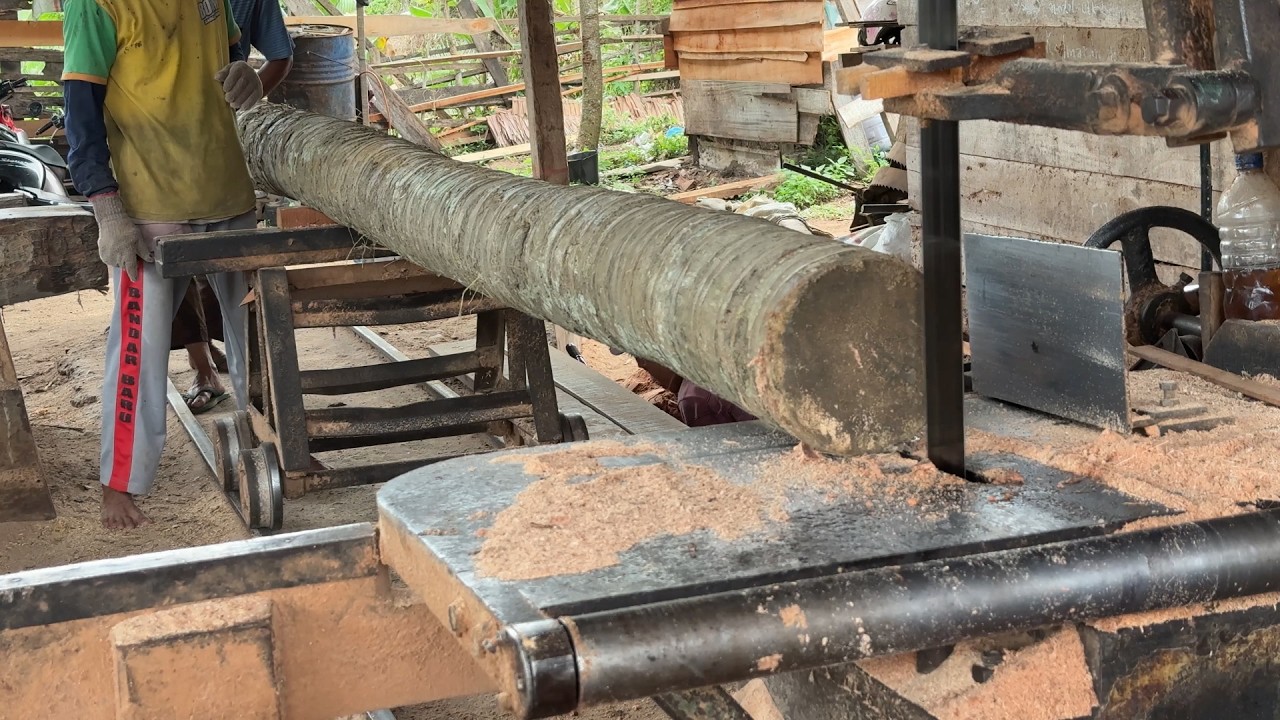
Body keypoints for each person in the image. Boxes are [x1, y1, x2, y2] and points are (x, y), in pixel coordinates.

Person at [63, 0, 264, 528]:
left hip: (228, 194)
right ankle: (119, 484)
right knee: (139, 352)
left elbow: (231, 48)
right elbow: (80, 114)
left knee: (259, 339)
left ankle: (278, 448)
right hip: (149, 210)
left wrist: (246, 71)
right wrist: (106, 205)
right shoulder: (96, 5)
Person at [171, 0, 294, 414]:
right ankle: (203, 367)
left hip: (221, 154)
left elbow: (279, 55)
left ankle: (255, 402)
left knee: (233, 282)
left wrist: (253, 86)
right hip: (156, 157)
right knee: (173, 276)